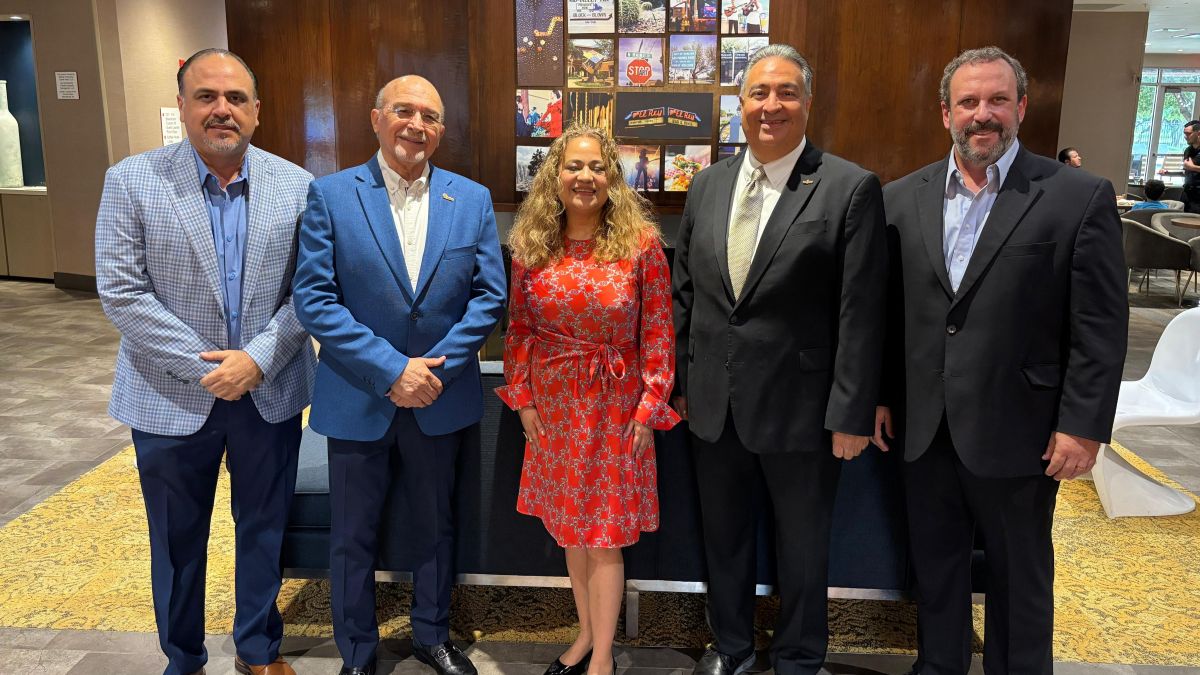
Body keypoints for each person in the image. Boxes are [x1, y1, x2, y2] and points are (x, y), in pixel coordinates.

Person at [876, 46, 1127, 675]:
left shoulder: (1076, 196)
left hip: (1024, 430)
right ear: (945, 113)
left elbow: (1099, 326)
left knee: (1020, 580)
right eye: (968, 102)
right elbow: (886, 315)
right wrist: (879, 395)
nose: (981, 114)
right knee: (935, 572)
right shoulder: (900, 199)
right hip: (923, 426)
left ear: (1020, 106)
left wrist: (1084, 424)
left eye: (996, 100)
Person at [95, 48, 315, 675]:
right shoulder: (132, 180)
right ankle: (184, 656)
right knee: (176, 540)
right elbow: (121, 290)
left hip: (267, 394)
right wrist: (207, 368)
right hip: (167, 395)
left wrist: (258, 359)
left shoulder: (296, 185)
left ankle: (257, 648)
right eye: (206, 97)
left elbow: (311, 290)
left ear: (257, 112)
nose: (222, 109)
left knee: (264, 528)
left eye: (236, 98)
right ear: (183, 107)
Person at [672, 44, 887, 675]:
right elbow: (688, 291)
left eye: (787, 92)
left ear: (808, 102)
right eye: (760, 93)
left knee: (802, 547)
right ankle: (732, 648)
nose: (773, 106)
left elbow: (861, 311)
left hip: (805, 413)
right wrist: (683, 384)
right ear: (739, 105)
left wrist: (850, 410)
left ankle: (798, 656)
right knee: (724, 539)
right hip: (713, 406)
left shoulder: (849, 188)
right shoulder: (708, 183)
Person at [292, 75, 506, 675]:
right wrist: (391, 369)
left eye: (431, 116)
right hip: (360, 395)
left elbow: (490, 296)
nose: (417, 125)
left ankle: (432, 635)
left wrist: (431, 369)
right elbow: (314, 297)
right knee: (352, 534)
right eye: (404, 111)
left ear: (442, 130)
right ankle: (357, 652)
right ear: (376, 118)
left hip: (440, 394)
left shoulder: (471, 199)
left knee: (437, 526)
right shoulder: (331, 196)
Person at [498, 125, 680, 675]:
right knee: (572, 532)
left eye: (597, 167)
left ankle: (601, 658)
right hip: (552, 409)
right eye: (573, 166)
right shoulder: (531, 244)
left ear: (612, 177)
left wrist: (650, 406)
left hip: (616, 408)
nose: (585, 177)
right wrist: (523, 400)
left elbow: (659, 332)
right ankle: (583, 636)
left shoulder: (642, 243)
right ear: (555, 175)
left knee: (603, 536)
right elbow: (520, 330)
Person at [1182, 120, 1200, 213]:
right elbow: (1187, 170)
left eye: (1188, 133)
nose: (1185, 137)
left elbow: (1191, 168)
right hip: (1187, 194)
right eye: (1184, 133)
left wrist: (1193, 167)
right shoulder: (1188, 150)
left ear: (1198, 133)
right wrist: (1169, 172)